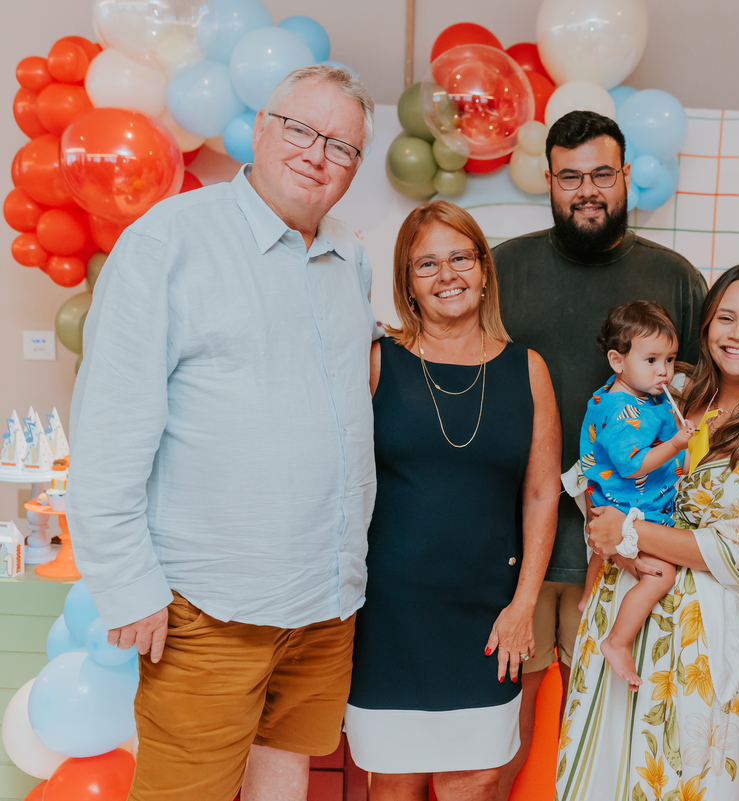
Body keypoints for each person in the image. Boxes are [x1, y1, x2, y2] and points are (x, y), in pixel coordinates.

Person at [68, 65, 377, 801]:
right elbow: (108, 425)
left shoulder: (352, 259)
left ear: (355, 167)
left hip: (324, 597)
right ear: (261, 130)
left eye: (341, 145)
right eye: (300, 130)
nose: (316, 154)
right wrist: (126, 583)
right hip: (208, 602)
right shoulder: (170, 241)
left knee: (286, 774)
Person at [492, 109, 708, 793]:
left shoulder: (674, 276)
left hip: (628, 550)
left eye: (602, 175)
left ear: (627, 178)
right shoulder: (505, 270)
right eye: (570, 177)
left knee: (612, 731)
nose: (587, 190)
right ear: (548, 181)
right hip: (518, 547)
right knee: (504, 737)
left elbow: (702, 397)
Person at [560, 263, 739, 801]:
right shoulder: (666, 391)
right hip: (621, 603)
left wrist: (622, 531)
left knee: (679, 775)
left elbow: (738, 550)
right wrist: (603, 527)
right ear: (705, 326)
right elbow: (596, 464)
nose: (738, 334)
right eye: (725, 318)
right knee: (606, 767)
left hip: (700, 632)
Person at [343, 200, 560, 801]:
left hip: (487, 617)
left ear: (485, 269)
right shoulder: (378, 363)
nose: (447, 275)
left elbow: (542, 494)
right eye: (426, 265)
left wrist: (523, 607)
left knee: (481, 780)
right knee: (394, 781)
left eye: (460, 257)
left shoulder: (528, 369)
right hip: (388, 619)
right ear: (407, 286)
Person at [578, 301, 696, 688]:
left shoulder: (646, 392)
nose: (664, 370)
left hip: (618, 505)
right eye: (652, 360)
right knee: (661, 575)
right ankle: (618, 641)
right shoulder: (620, 408)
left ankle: (586, 598)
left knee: (599, 554)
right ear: (617, 360)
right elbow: (632, 465)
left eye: (671, 359)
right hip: (628, 508)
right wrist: (677, 443)